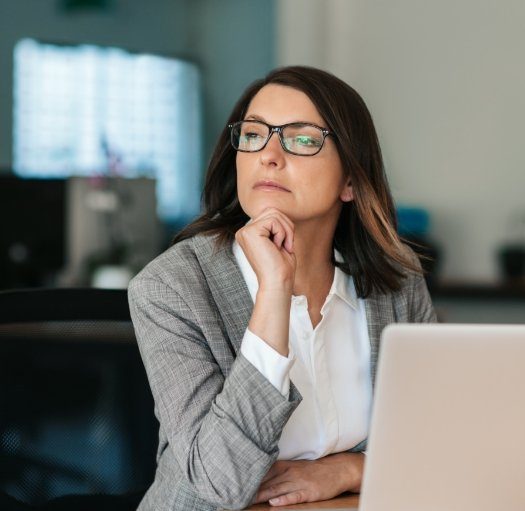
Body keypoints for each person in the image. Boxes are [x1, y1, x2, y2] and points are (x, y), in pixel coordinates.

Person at [128, 65, 436, 511]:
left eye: (303, 139)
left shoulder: (397, 283)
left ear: (351, 180)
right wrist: (274, 294)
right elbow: (217, 484)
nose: (269, 155)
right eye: (253, 135)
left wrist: (349, 469)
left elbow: (436, 436)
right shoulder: (171, 288)